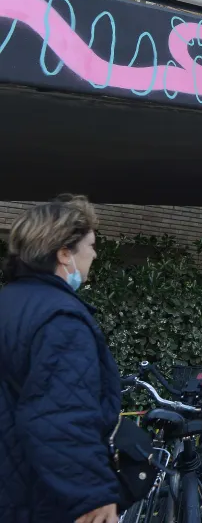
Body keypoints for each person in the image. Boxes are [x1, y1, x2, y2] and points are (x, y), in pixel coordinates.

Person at [0, 196, 122, 523]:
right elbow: (61, 416)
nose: (94, 255)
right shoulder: (61, 319)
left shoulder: (8, 303)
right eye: (91, 246)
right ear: (64, 253)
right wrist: (93, 495)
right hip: (36, 498)